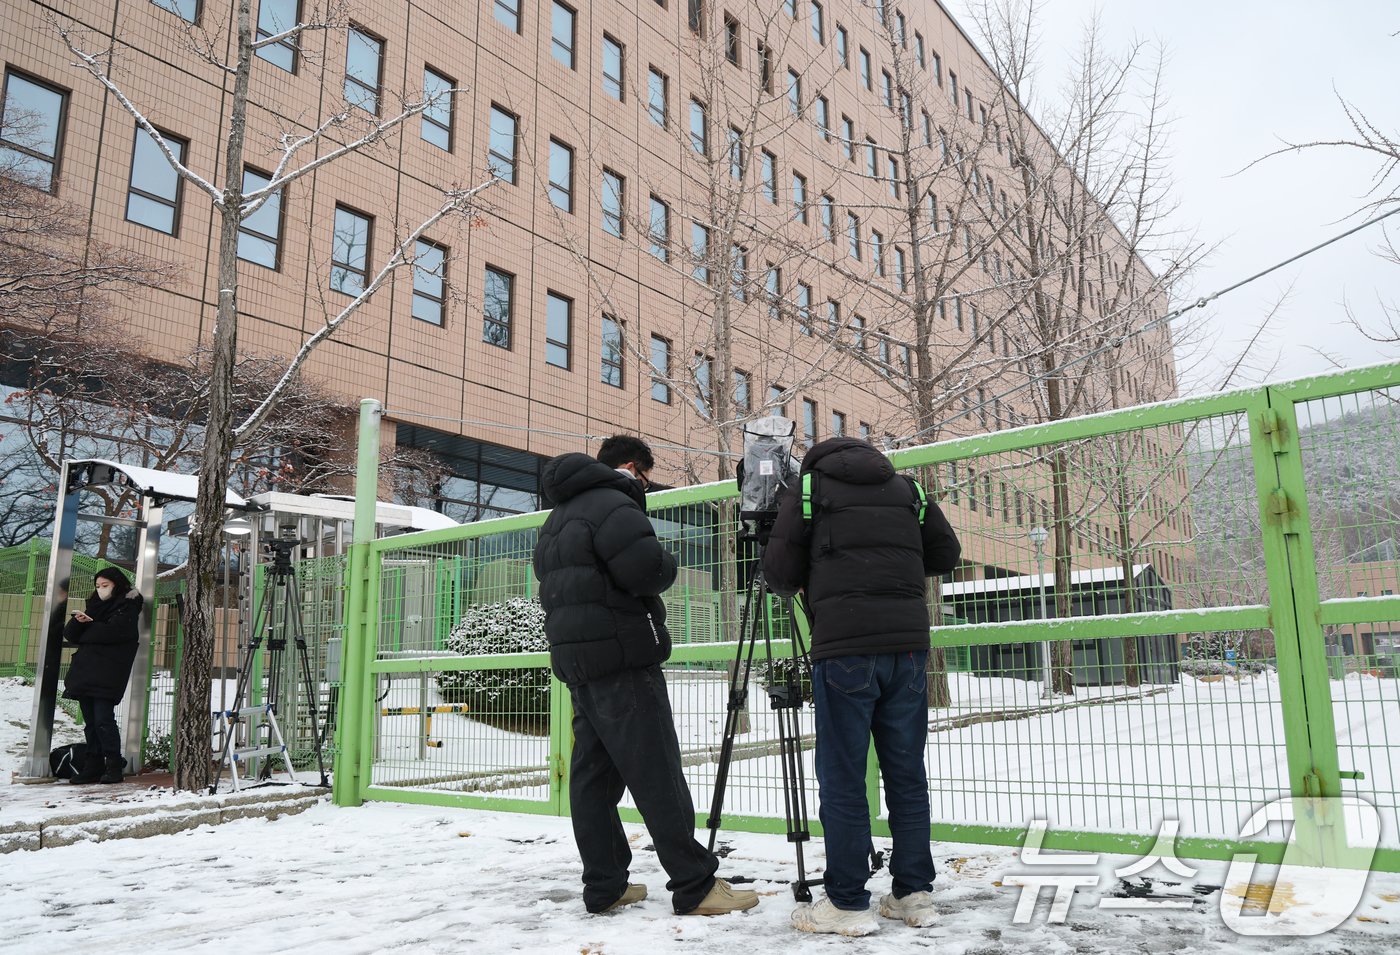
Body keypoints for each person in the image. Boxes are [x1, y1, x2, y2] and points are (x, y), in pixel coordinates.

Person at [533, 435, 759, 917]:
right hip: (623, 658)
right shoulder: (613, 504)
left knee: (592, 780)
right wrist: (668, 559)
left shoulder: (557, 518)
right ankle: (695, 886)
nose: (647, 486)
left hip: (579, 663)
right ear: (633, 468)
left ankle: (605, 884)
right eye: (647, 477)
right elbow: (647, 572)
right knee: (657, 772)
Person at [763, 436, 961, 936]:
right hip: (910, 649)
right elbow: (946, 554)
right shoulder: (908, 489)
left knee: (844, 774)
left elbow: (780, 575)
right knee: (906, 772)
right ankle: (913, 894)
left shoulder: (806, 490)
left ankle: (848, 902)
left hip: (845, 647)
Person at [62, 567, 144, 785]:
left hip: (108, 672)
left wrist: (89, 630)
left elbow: (114, 633)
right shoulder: (94, 606)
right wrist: (79, 622)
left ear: (116, 584)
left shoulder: (128, 604)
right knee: (90, 722)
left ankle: (113, 765)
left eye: (105, 585)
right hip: (87, 671)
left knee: (103, 720)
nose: (100, 590)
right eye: (98, 586)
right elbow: (71, 635)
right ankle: (93, 765)